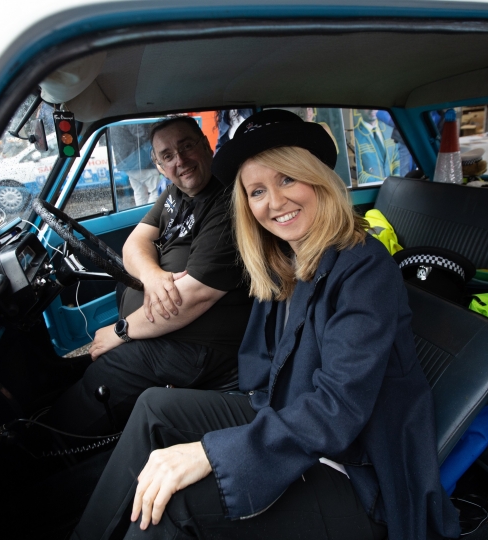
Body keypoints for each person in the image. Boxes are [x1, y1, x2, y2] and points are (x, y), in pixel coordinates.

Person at [71, 110, 459, 539]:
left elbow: (339, 410)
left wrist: (210, 452)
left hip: (357, 467)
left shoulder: (365, 269)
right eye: (257, 191)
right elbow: (262, 368)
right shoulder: (284, 259)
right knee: (154, 408)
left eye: (287, 179)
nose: (274, 203)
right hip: (284, 413)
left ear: (317, 179)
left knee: (174, 504)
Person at [47, 116, 254, 435]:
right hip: (166, 332)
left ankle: (50, 442)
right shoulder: (176, 194)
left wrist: (122, 331)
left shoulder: (225, 203)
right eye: (168, 156)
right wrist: (154, 275)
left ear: (206, 144)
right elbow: (136, 242)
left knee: (107, 374)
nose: (180, 160)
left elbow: (191, 298)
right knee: (84, 369)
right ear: (159, 166)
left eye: (187, 146)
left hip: (203, 349)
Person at [353, 109, 400, 184]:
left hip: (394, 187)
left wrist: (397, 179)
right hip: (371, 190)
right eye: (366, 106)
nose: (372, 109)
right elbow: (359, 174)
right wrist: (383, 182)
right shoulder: (355, 136)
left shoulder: (390, 130)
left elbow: (397, 160)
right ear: (359, 110)